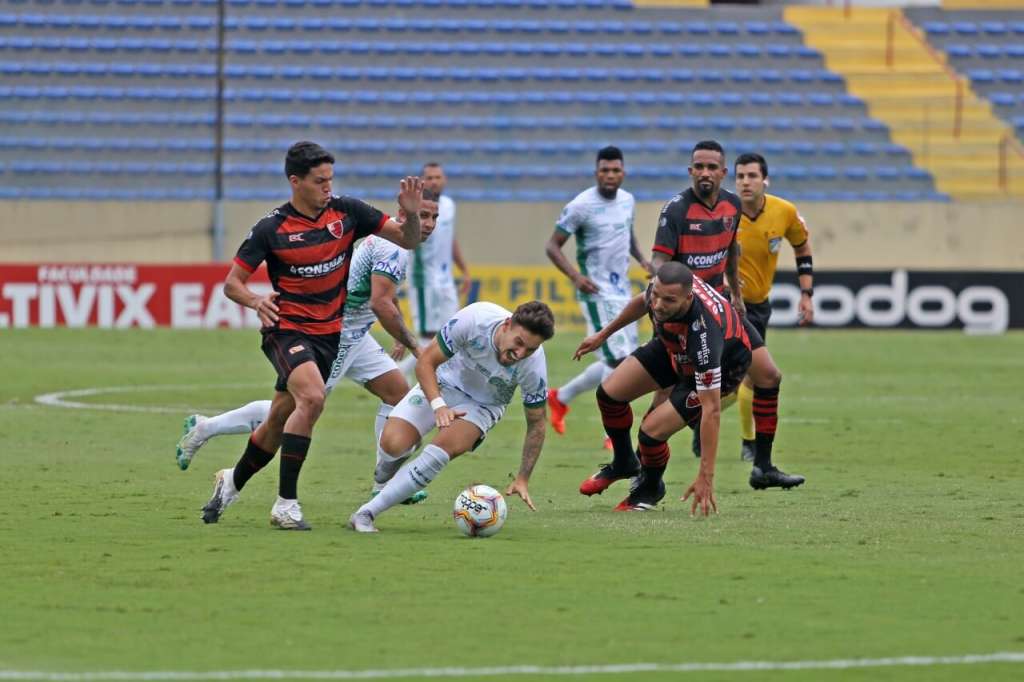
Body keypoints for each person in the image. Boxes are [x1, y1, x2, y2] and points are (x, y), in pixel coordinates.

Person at [199, 141, 423, 530]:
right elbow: (232, 284)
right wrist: (255, 301)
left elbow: (408, 238)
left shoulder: (347, 212)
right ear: (295, 181)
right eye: (320, 181)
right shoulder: (272, 229)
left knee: (277, 422)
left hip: (328, 336)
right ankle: (286, 505)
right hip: (286, 330)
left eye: (330, 179)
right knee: (314, 398)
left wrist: (415, 214)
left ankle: (230, 483)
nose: (327, 187)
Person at [176, 191, 441, 503]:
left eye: (435, 217)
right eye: (422, 215)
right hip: (337, 332)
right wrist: (414, 346)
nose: (429, 224)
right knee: (296, 407)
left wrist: (396, 327)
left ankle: (384, 484)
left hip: (358, 334)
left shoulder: (391, 243)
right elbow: (380, 302)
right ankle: (206, 428)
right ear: (403, 211)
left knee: (399, 394)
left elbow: (382, 293)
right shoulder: (391, 246)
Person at [647, 141, 803, 488]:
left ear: (722, 172)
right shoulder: (675, 210)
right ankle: (645, 470)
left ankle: (762, 467)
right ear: (691, 171)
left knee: (768, 377)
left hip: (725, 312)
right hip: (685, 317)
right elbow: (660, 259)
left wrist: (735, 292)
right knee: (666, 393)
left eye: (711, 167)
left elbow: (733, 246)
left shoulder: (732, 205)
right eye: (698, 167)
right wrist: (658, 279)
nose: (704, 173)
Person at [348, 301, 554, 533]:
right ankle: (383, 483)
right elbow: (426, 361)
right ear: (507, 325)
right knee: (393, 444)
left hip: (483, 405)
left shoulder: (533, 367)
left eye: (530, 349)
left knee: (440, 451)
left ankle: (366, 513)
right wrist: (439, 406)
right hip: (443, 383)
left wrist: (523, 478)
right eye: (519, 343)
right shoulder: (475, 320)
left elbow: (537, 422)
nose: (520, 354)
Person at [574, 262, 755, 513]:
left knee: (651, 433)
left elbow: (711, 410)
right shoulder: (663, 289)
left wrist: (706, 476)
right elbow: (642, 301)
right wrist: (602, 335)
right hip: (675, 343)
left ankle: (650, 489)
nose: (658, 305)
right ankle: (625, 461)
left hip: (722, 366)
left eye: (668, 300)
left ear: (688, 298)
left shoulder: (705, 336)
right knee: (609, 394)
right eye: (656, 295)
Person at [543, 146, 653, 446]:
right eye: (605, 170)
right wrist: (576, 277)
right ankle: (612, 434)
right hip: (596, 292)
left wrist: (642, 260)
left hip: (622, 291)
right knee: (619, 361)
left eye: (615, 170)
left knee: (621, 360)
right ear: (596, 173)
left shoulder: (628, 200)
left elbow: (626, 233)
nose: (610, 175)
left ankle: (560, 397)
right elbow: (552, 246)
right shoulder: (581, 205)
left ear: (623, 173)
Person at [732, 153, 815, 462]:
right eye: (740, 176)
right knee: (754, 375)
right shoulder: (725, 211)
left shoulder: (784, 212)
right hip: (727, 306)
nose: (745, 182)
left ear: (764, 179)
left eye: (752, 176)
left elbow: (802, 246)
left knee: (736, 379)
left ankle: (698, 420)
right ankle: (749, 443)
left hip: (758, 306)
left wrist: (806, 293)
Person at [398, 162, 471, 375]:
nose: (434, 181)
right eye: (429, 178)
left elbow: (450, 238)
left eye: (438, 177)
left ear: (445, 180)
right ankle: (405, 371)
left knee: (453, 331)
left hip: (446, 280)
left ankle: (411, 371)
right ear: (422, 181)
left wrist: (464, 270)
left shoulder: (448, 205)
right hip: (423, 280)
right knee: (428, 336)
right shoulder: (415, 207)